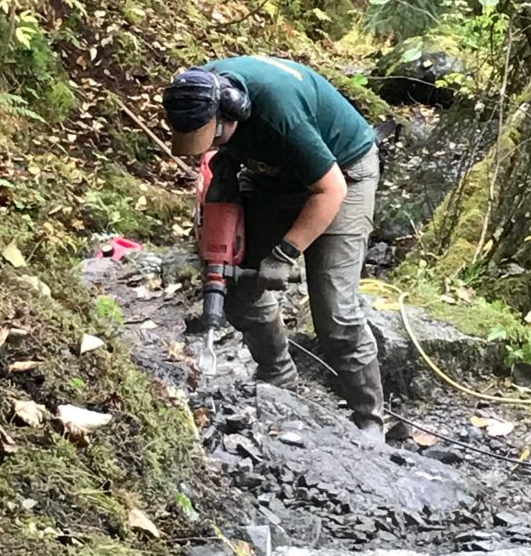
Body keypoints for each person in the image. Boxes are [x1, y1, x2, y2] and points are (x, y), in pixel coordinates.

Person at [162, 54, 385, 441]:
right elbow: (213, 156)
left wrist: (284, 254)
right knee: (239, 292)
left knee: (335, 314)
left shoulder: (278, 115)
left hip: (342, 173)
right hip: (272, 173)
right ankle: (278, 375)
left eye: (214, 138)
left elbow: (331, 189)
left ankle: (369, 418)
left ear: (233, 114)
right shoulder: (198, 92)